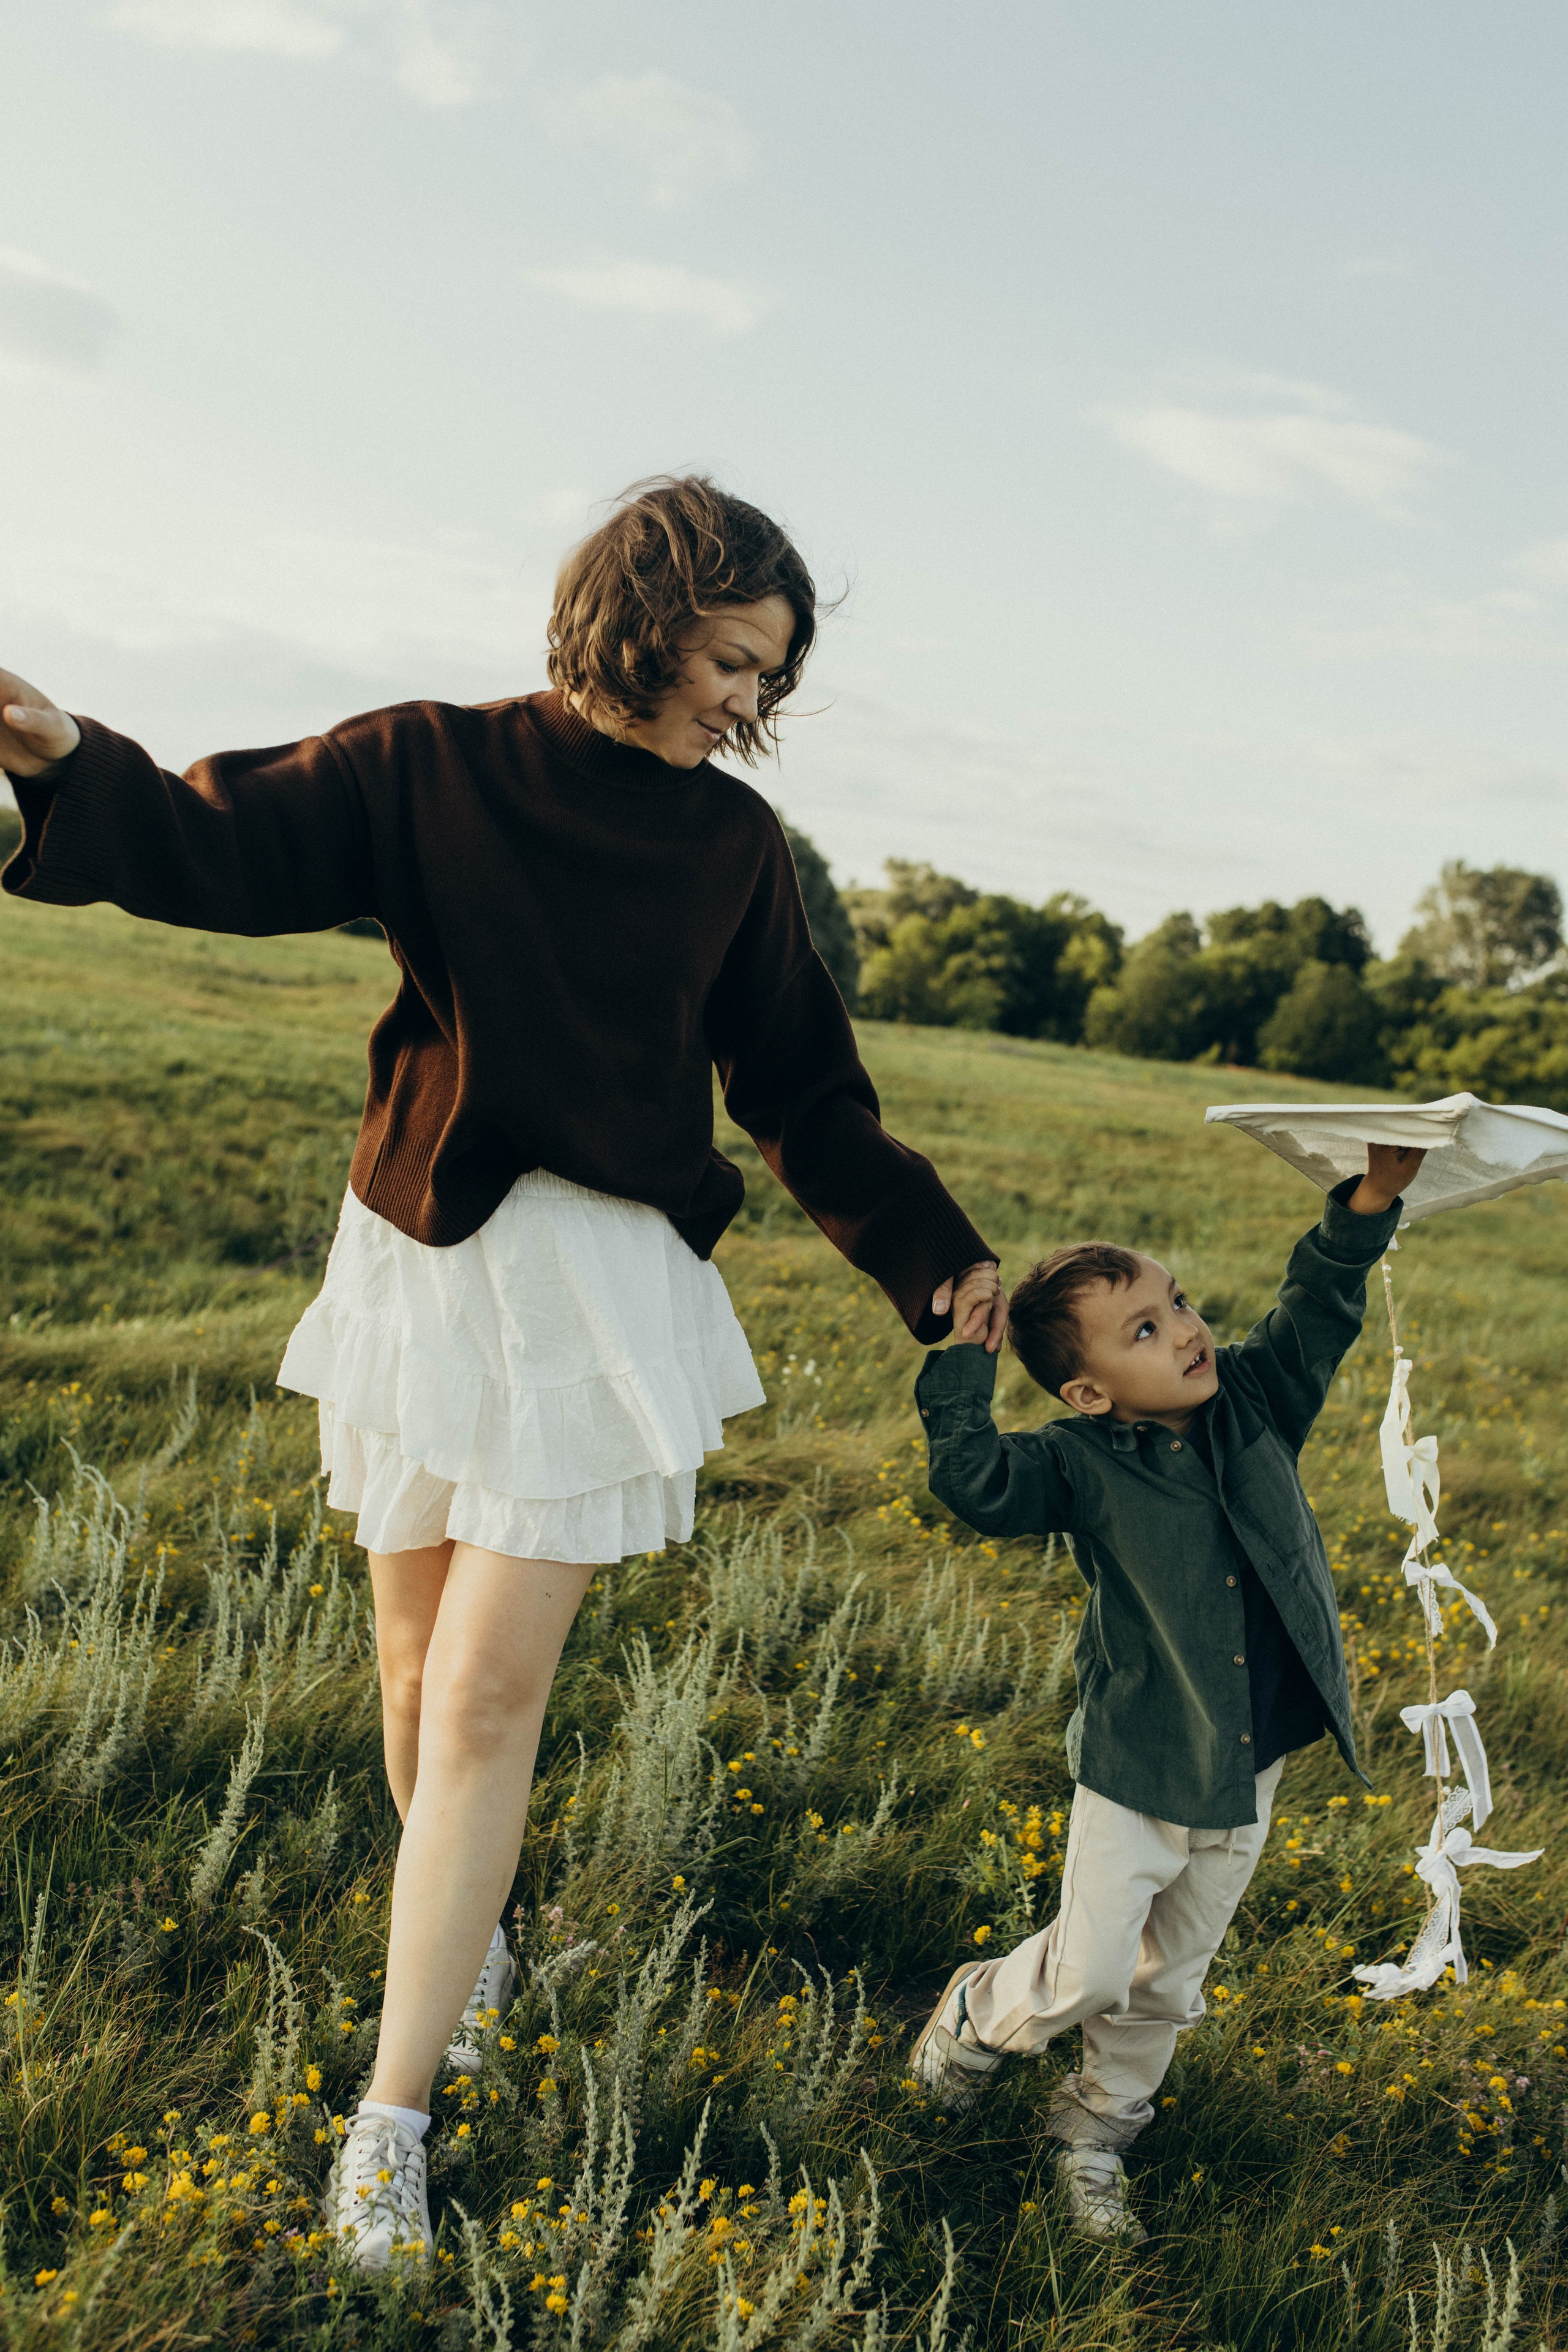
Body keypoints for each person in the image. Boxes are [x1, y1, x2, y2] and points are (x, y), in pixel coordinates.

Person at [0, 475, 1005, 2271]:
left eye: (768, 675)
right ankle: (474, 1955)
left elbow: (800, 1083)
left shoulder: (733, 849)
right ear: (639, 617)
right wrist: (75, 760)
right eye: (729, 659)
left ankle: (389, 2122)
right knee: (407, 1674)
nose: (747, 702)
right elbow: (226, 846)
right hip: (420, 1268)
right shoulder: (428, 763)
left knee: (479, 1705)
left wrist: (935, 1259)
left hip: (593, 1296)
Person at [908, 1144, 1424, 2243]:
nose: (1186, 1330)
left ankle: (1096, 2129)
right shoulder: (1080, 1460)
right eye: (1144, 1330)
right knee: (1091, 1969)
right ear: (1090, 1392)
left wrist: (1372, 1199)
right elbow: (977, 1482)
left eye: (1177, 1302)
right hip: (1142, 1761)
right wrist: (965, 1366)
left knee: (1171, 1976)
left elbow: (1315, 1312)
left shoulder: (1255, 1399)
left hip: (1251, 1759)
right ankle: (982, 2010)